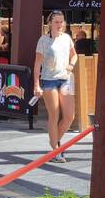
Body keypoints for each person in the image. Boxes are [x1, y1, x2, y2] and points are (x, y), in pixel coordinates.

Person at [33, 10, 77, 161]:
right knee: (54, 114)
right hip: (49, 80)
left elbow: (74, 55)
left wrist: (71, 64)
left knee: (70, 116)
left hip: (66, 79)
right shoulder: (43, 40)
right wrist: (36, 85)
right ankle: (56, 150)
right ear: (50, 23)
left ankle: (54, 142)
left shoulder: (67, 38)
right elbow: (37, 64)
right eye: (56, 22)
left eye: (61, 22)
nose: (59, 24)